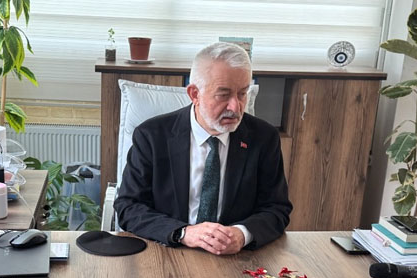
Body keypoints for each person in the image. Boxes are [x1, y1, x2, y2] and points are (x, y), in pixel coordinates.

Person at [114, 42, 292, 254]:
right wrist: (183, 232)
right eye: (223, 94)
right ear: (194, 94)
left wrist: (242, 234)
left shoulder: (263, 138)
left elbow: (277, 208)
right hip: (168, 251)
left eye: (242, 94)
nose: (235, 107)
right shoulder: (152, 136)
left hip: (235, 256)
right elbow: (128, 207)